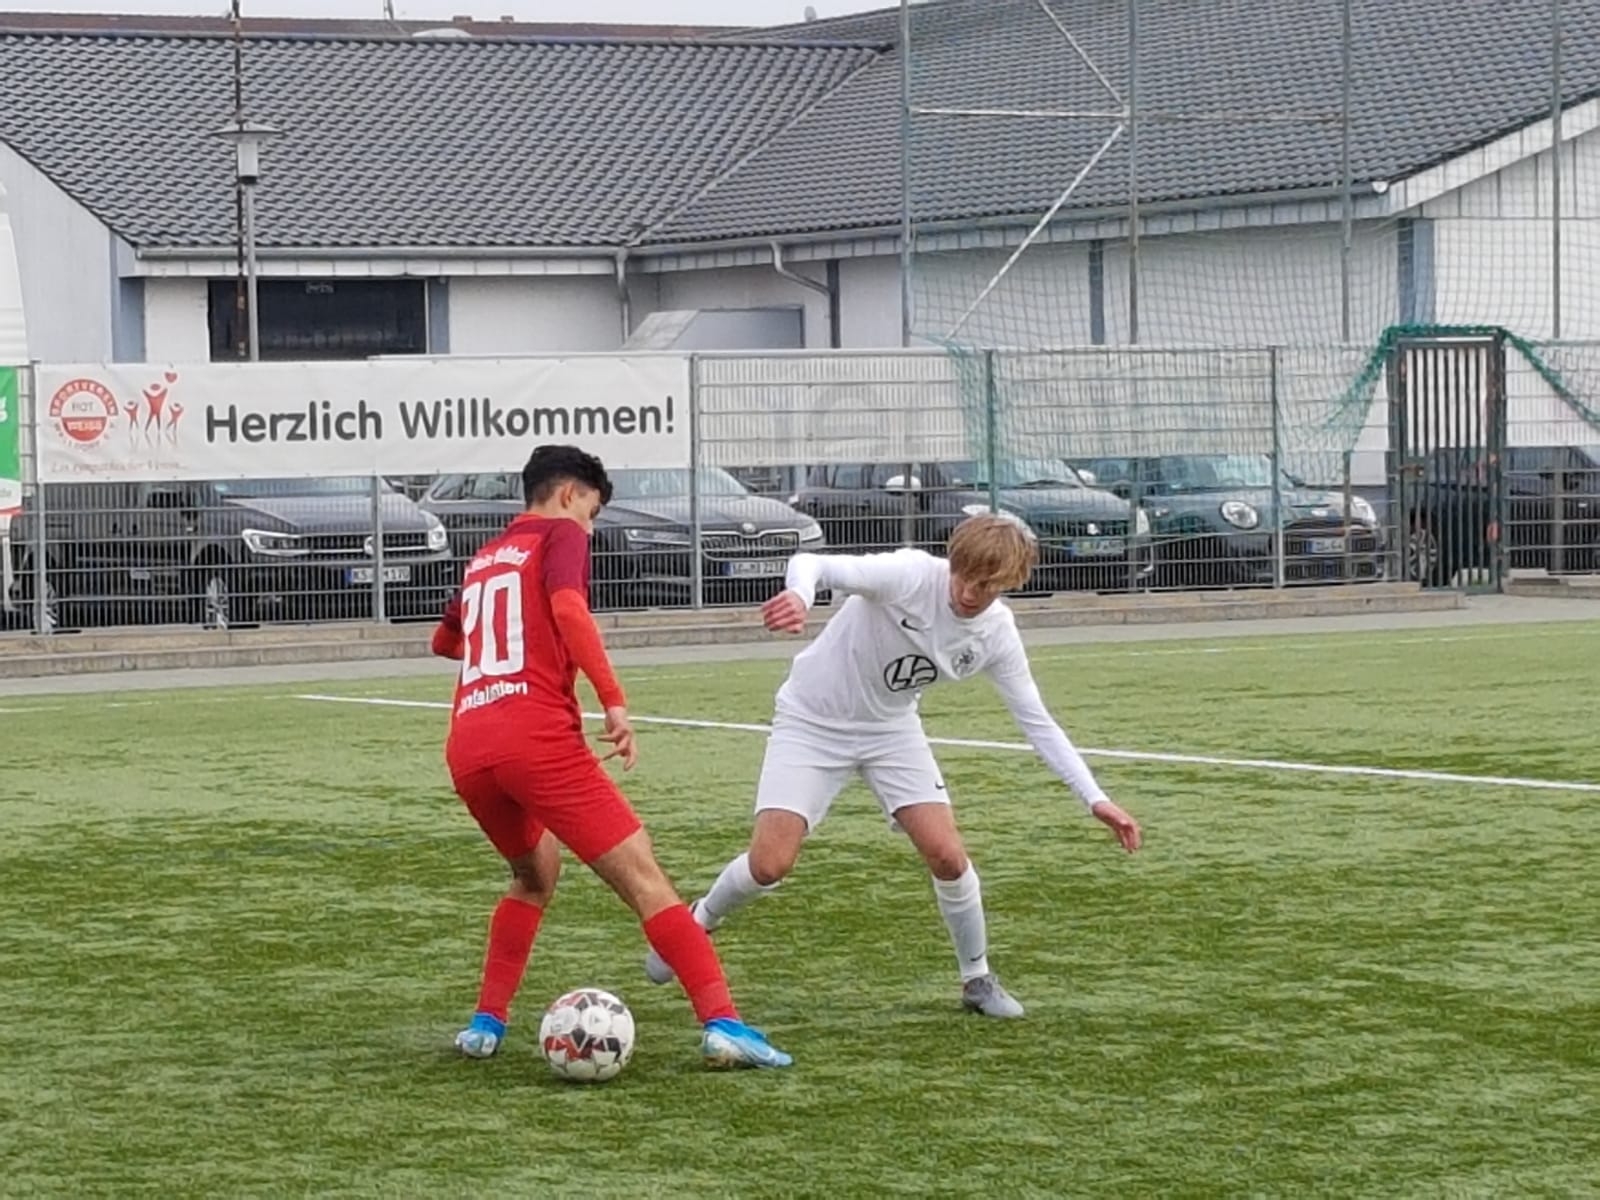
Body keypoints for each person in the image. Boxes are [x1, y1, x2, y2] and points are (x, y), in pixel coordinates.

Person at [644, 512, 1142, 1018]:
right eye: (964, 576)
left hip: (891, 731)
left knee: (948, 856)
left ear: (1009, 583)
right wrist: (799, 595)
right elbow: (813, 562)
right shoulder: (910, 575)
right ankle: (696, 923)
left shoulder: (996, 633)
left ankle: (977, 978)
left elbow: (1036, 720)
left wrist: (1095, 799)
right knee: (770, 864)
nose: (969, 592)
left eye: (987, 586)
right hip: (811, 721)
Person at [431, 443, 791, 1069]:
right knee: (644, 876)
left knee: (534, 876)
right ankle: (723, 1022)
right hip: (535, 740)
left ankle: (485, 1024)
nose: (590, 528)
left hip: (469, 746)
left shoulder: (485, 557)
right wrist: (613, 701)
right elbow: (569, 608)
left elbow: (446, 642)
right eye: (592, 512)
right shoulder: (560, 534)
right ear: (570, 494)